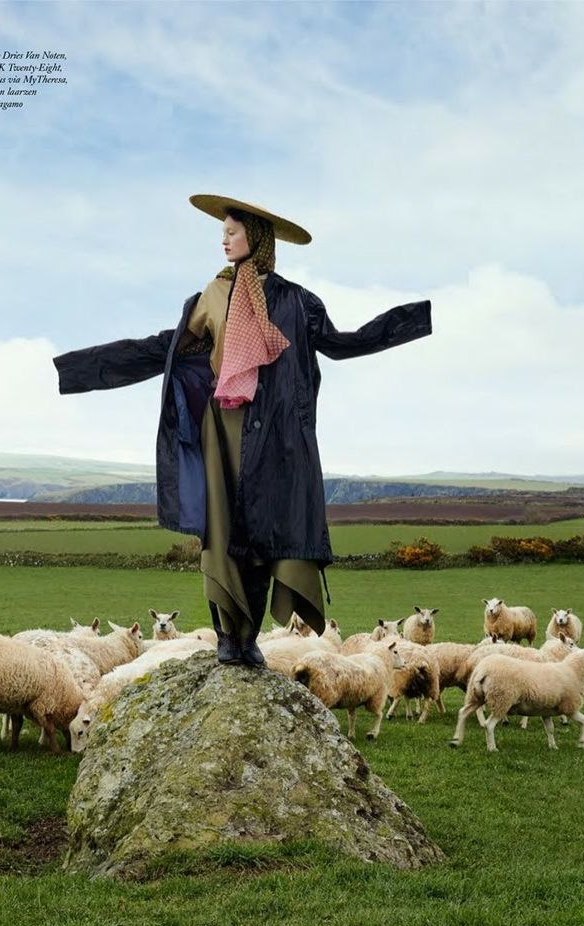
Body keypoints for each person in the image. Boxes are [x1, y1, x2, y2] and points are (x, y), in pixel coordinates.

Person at [53, 194, 432, 668]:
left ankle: (248, 638)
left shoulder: (297, 301)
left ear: (257, 236)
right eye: (223, 232)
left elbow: (341, 343)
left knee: (265, 543)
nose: (224, 239)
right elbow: (165, 350)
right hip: (222, 438)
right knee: (222, 538)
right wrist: (82, 370)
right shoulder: (212, 296)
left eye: (233, 231)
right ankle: (225, 639)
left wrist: (415, 319)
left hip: (279, 442)